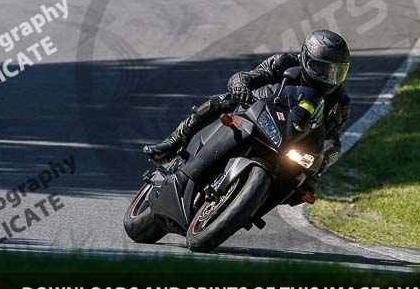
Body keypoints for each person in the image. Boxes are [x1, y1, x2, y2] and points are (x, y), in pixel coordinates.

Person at [144, 29, 351, 179]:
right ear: (306, 59)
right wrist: (240, 88)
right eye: (323, 69)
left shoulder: (340, 102)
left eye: (336, 72)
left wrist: (326, 157)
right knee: (221, 101)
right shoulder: (284, 63)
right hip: (260, 110)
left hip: (292, 140)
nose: (329, 78)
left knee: (305, 182)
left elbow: (332, 138)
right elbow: (246, 76)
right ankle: (172, 143)